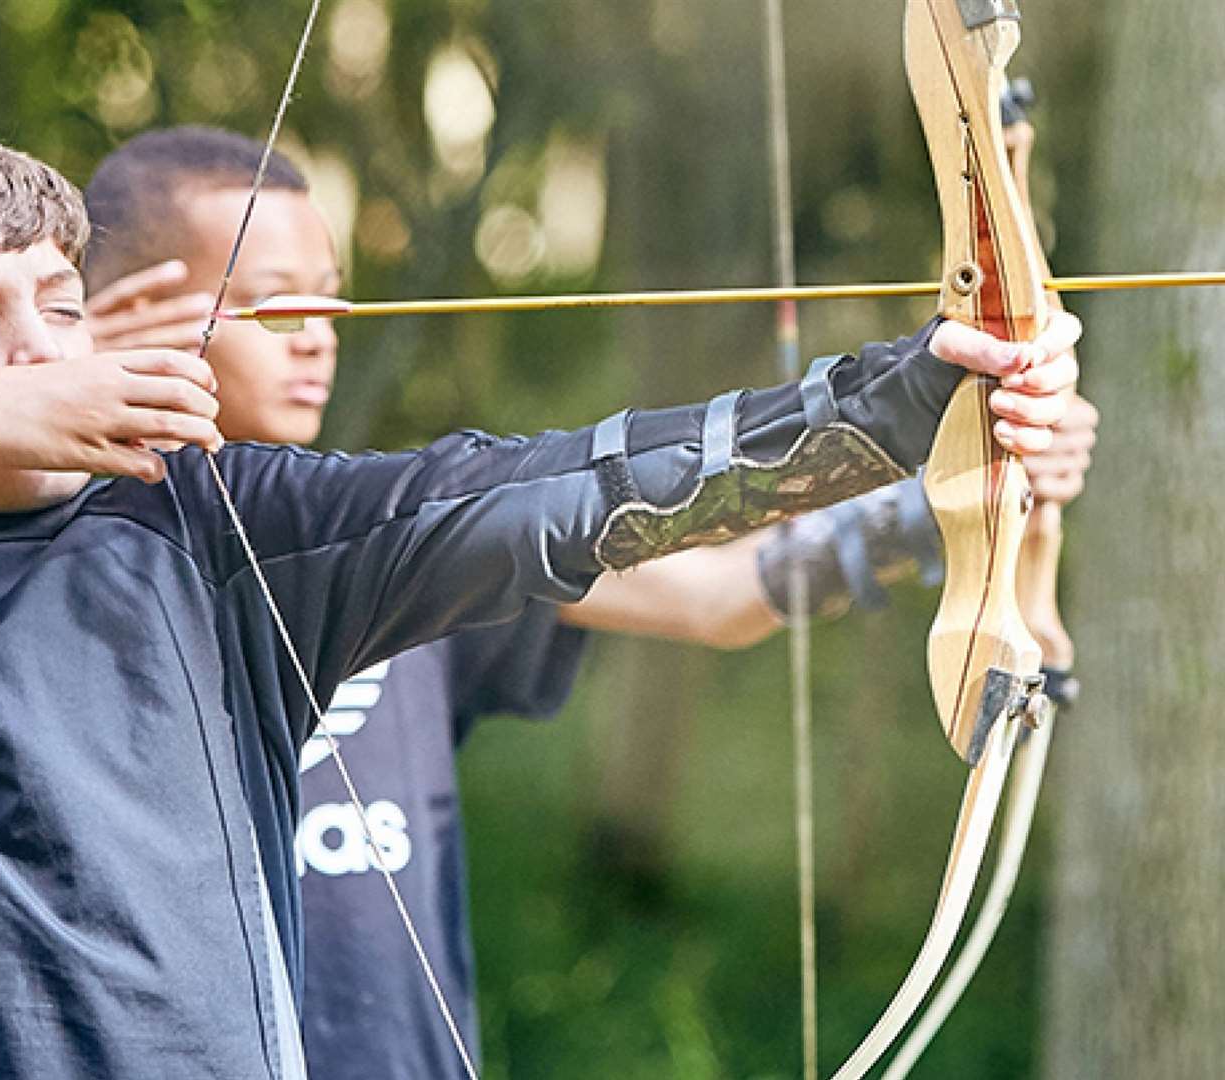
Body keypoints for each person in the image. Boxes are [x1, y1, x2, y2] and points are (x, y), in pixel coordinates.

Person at [0, 118, 1080, 1079]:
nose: (33, 346)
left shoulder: (219, 531)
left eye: (57, 310)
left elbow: (554, 488)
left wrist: (906, 406)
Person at [81, 125, 1096, 1079]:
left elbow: (717, 596)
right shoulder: (59, 567)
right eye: (275, 302)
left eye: (334, 296)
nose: (321, 335)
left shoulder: (393, 544)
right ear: (133, 313)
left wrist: (951, 493)